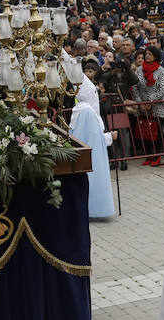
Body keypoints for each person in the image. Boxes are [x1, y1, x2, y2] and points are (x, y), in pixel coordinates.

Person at [69, 70, 117, 218]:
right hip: (93, 156)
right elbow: (96, 138)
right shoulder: (88, 112)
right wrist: (110, 136)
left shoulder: (77, 110)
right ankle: (95, 209)